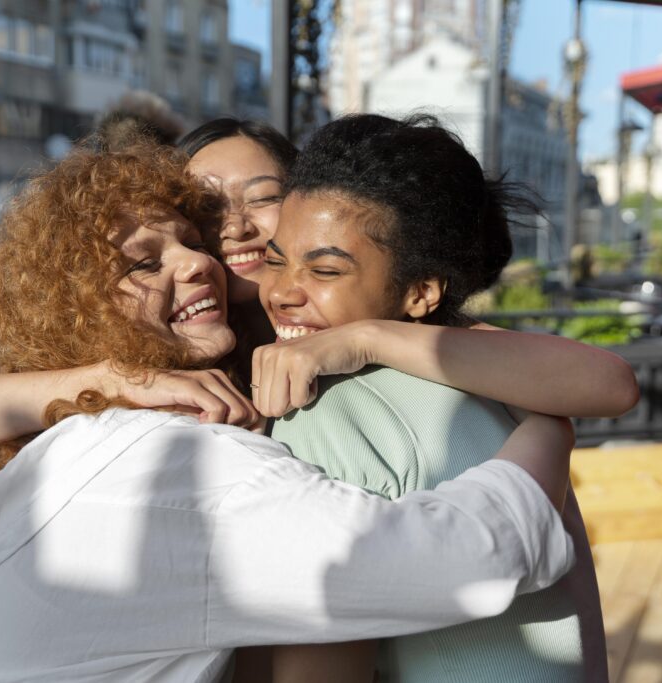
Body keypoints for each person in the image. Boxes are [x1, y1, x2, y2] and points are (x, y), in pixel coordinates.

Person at [0, 141, 577, 681]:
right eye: (146, 263)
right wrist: (550, 427)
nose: (199, 263)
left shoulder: (78, 440)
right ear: (76, 308)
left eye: (189, 241)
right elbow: (471, 557)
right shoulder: (183, 464)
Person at [250, 114, 603, 682]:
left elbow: (322, 665)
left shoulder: (322, 410)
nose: (283, 292)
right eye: (274, 259)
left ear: (419, 293)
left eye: (323, 270)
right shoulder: (501, 383)